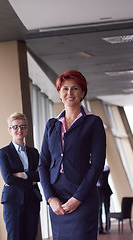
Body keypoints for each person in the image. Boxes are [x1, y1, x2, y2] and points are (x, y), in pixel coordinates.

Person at [38, 70, 106, 240]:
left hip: (82, 195)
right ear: (59, 93)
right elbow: (43, 163)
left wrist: (77, 198)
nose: (69, 93)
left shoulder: (93, 122)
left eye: (75, 88)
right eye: (65, 89)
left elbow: (97, 164)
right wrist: (50, 198)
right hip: (57, 197)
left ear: (82, 93)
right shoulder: (52, 125)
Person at [0, 112, 42, 240]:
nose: (19, 130)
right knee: (14, 237)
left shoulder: (34, 152)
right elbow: (8, 178)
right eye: (15, 127)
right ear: (10, 130)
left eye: (22, 126)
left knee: (30, 236)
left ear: (26, 129)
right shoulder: (4, 152)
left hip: (32, 199)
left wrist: (22, 175)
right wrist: (30, 178)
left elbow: (40, 176)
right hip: (13, 201)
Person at [97, 164, 113, 234]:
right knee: (99, 210)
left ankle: (108, 227)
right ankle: (100, 228)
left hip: (106, 191)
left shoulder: (105, 167)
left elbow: (105, 170)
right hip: (98, 191)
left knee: (107, 210)